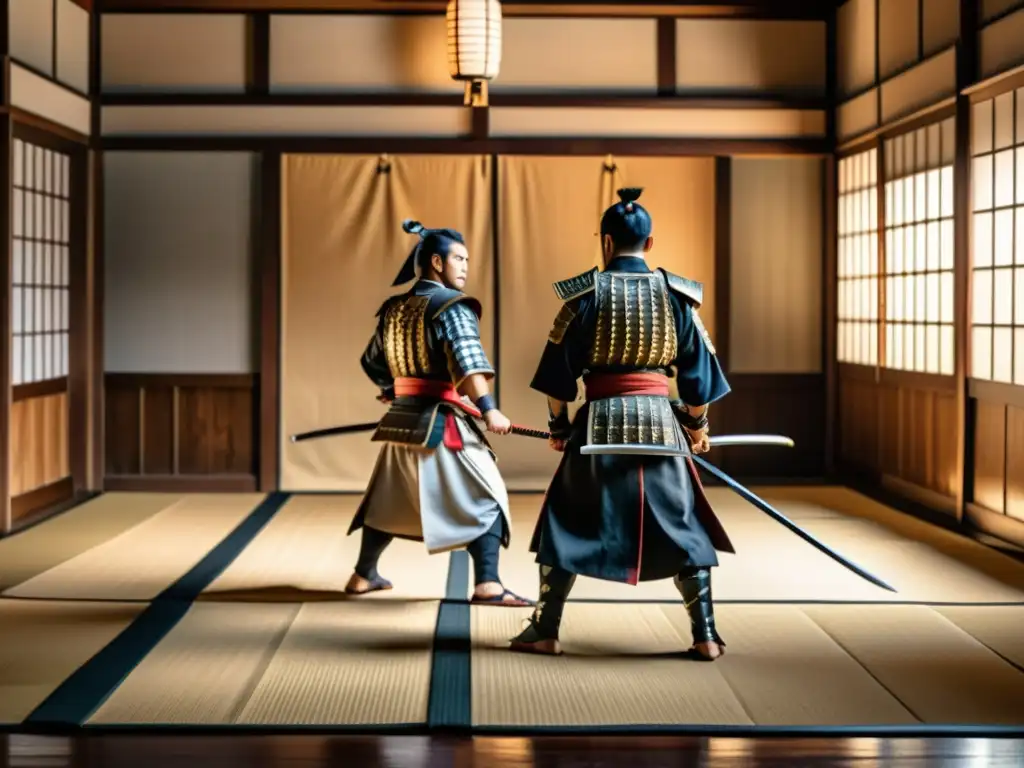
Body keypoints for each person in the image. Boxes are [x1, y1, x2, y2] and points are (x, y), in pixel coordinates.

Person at [509, 187, 734, 659]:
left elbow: (558, 376)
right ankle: (706, 634)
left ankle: (545, 629)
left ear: (606, 243)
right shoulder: (679, 297)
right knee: (683, 524)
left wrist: (558, 427)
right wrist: (697, 428)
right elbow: (698, 381)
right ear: (650, 244)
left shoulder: (582, 296)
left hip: (598, 430)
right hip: (661, 428)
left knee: (565, 521)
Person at [346, 219, 531, 607]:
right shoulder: (451, 306)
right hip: (439, 422)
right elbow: (468, 363)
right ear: (435, 262)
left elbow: (372, 361)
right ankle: (489, 584)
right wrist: (489, 409)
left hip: (400, 422)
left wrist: (390, 391)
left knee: (388, 501)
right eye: (458, 259)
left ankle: (363, 574)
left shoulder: (394, 308)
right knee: (489, 496)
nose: (465, 266)